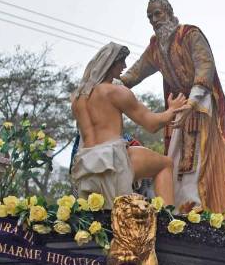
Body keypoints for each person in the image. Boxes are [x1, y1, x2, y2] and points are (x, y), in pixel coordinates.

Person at [118, 0, 225, 218]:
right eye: (150, 17)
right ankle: (179, 209)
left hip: (202, 102)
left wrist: (193, 102)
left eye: (157, 14)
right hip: (178, 107)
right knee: (175, 158)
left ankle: (203, 208)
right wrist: (105, 82)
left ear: (168, 13)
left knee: (202, 157)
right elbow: (133, 74)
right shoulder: (155, 47)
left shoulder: (190, 35)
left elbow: (205, 66)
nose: (154, 20)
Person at [71, 40, 188, 205]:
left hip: (85, 164)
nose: (125, 66)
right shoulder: (116, 92)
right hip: (112, 160)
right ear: (111, 64)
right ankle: (167, 220)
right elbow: (151, 124)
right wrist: (172, 110)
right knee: (165, 164)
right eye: (121, 62)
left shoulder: (77, 98)